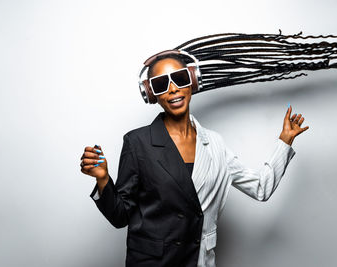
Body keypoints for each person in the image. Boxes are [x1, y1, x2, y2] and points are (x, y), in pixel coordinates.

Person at [79, 54, 309, 267]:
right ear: (151, 93)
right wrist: (103, 179)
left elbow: (261, 188)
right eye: (161, 84)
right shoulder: (137, 142)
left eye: (179, 78)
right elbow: (120, 217)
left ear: (192, 80)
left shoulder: (216, 144)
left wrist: (285, 141)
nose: (172, 89)